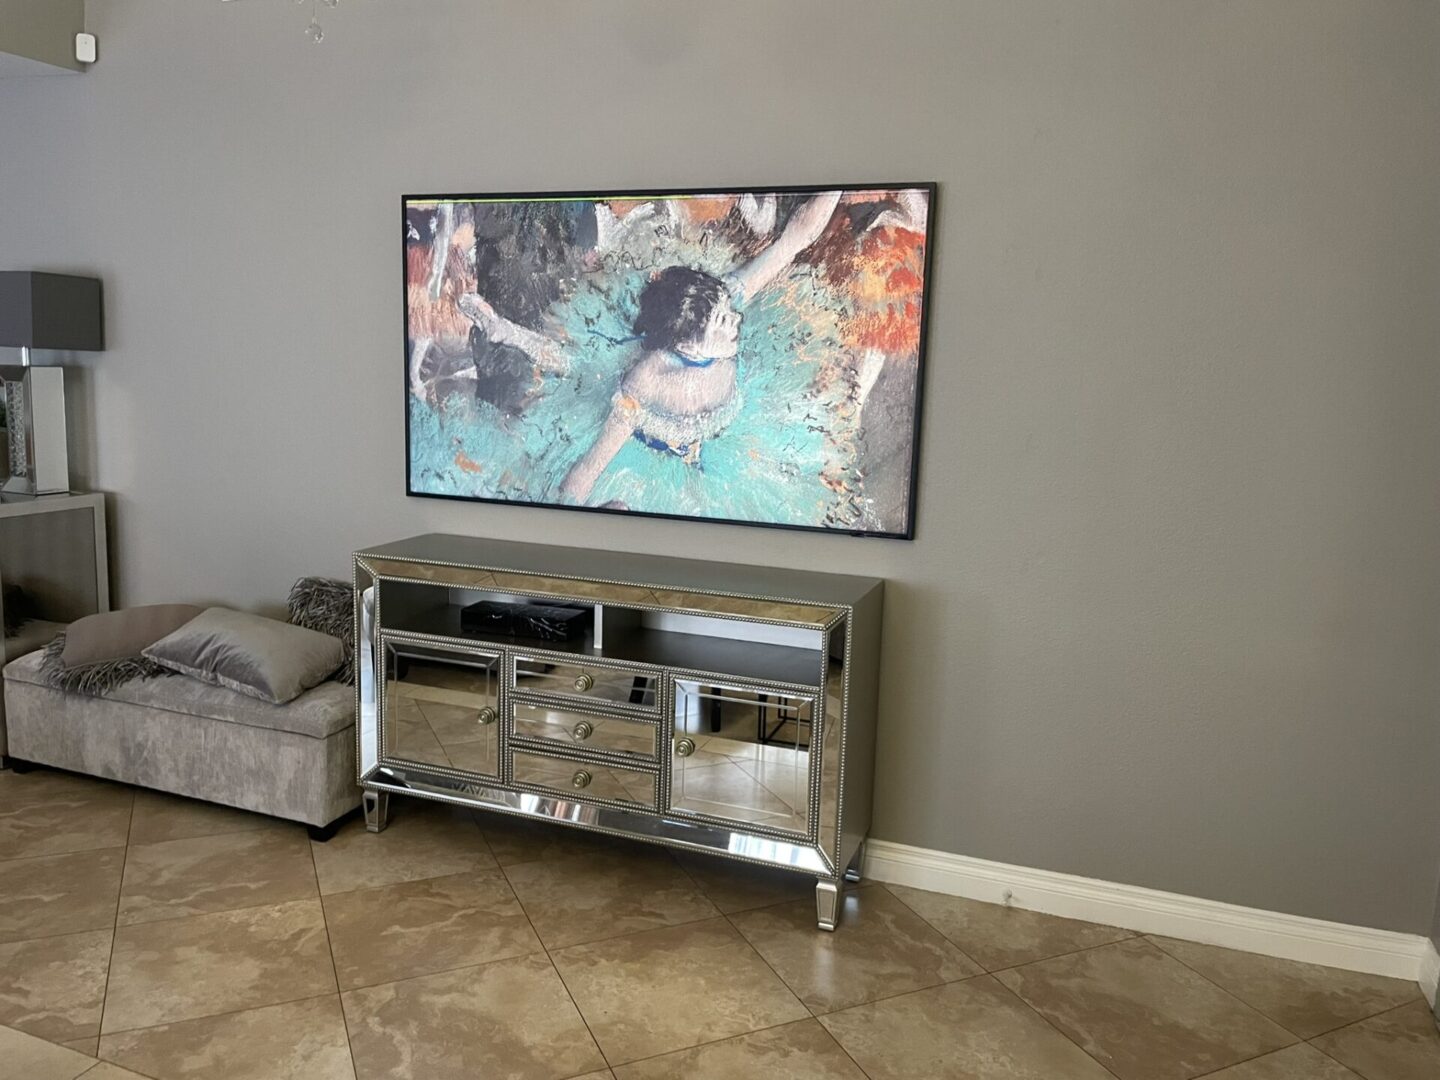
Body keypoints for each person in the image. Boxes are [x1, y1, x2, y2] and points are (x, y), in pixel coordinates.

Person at [554, 190, 842, 502]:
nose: (735, 318)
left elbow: (793, 240)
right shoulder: (646, 381)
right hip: (649, 462)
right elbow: (589, 468)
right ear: (687, 341)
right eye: (722, 319)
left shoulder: (718, 302)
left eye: (728, 311)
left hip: (714, 441)